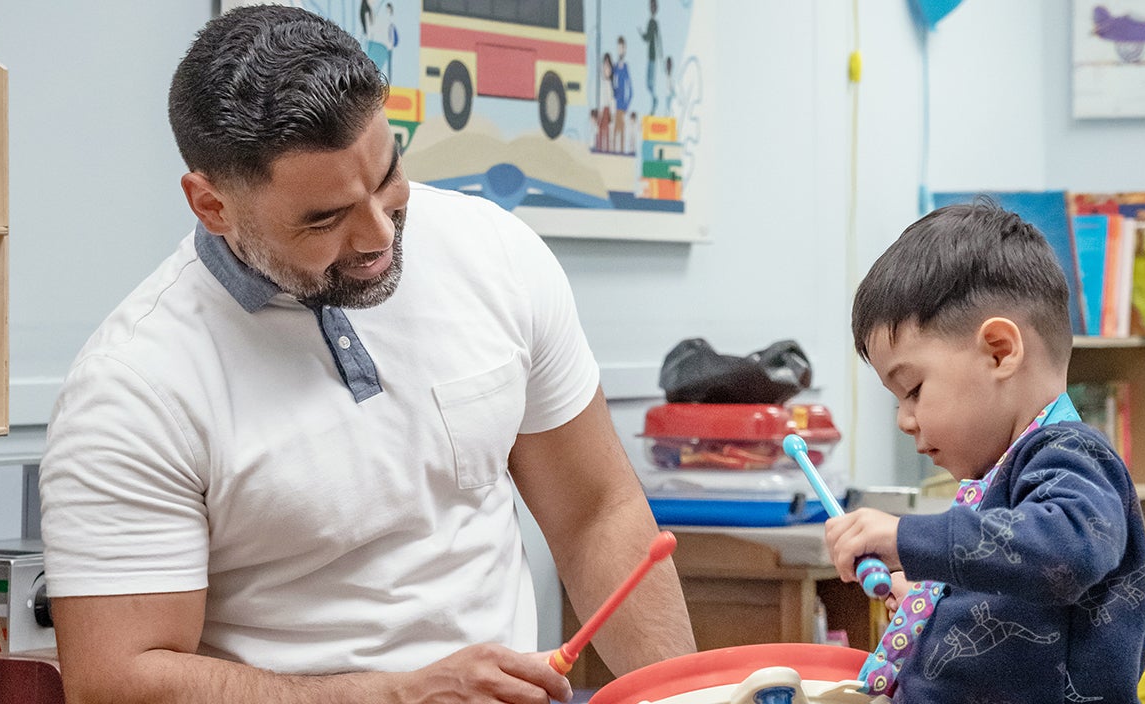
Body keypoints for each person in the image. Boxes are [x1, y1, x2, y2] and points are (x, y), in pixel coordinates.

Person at [38, 6, 695, 703]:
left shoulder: (496, 253)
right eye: (323, 219)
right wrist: (396, 693)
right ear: (212, 206)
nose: (378, 235)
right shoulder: (133, 386)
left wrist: (690, 695)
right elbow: (118, 681)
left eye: (388, 180)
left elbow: (596, 514)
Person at [827, 200, 1145, 702]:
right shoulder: (1013, 473)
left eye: (913, 389)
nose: (904, 419)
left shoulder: (1074, 453)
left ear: (1000, 351)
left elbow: (1066, 550)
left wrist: (905, 537)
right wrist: (936, 604)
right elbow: (1017, 591)